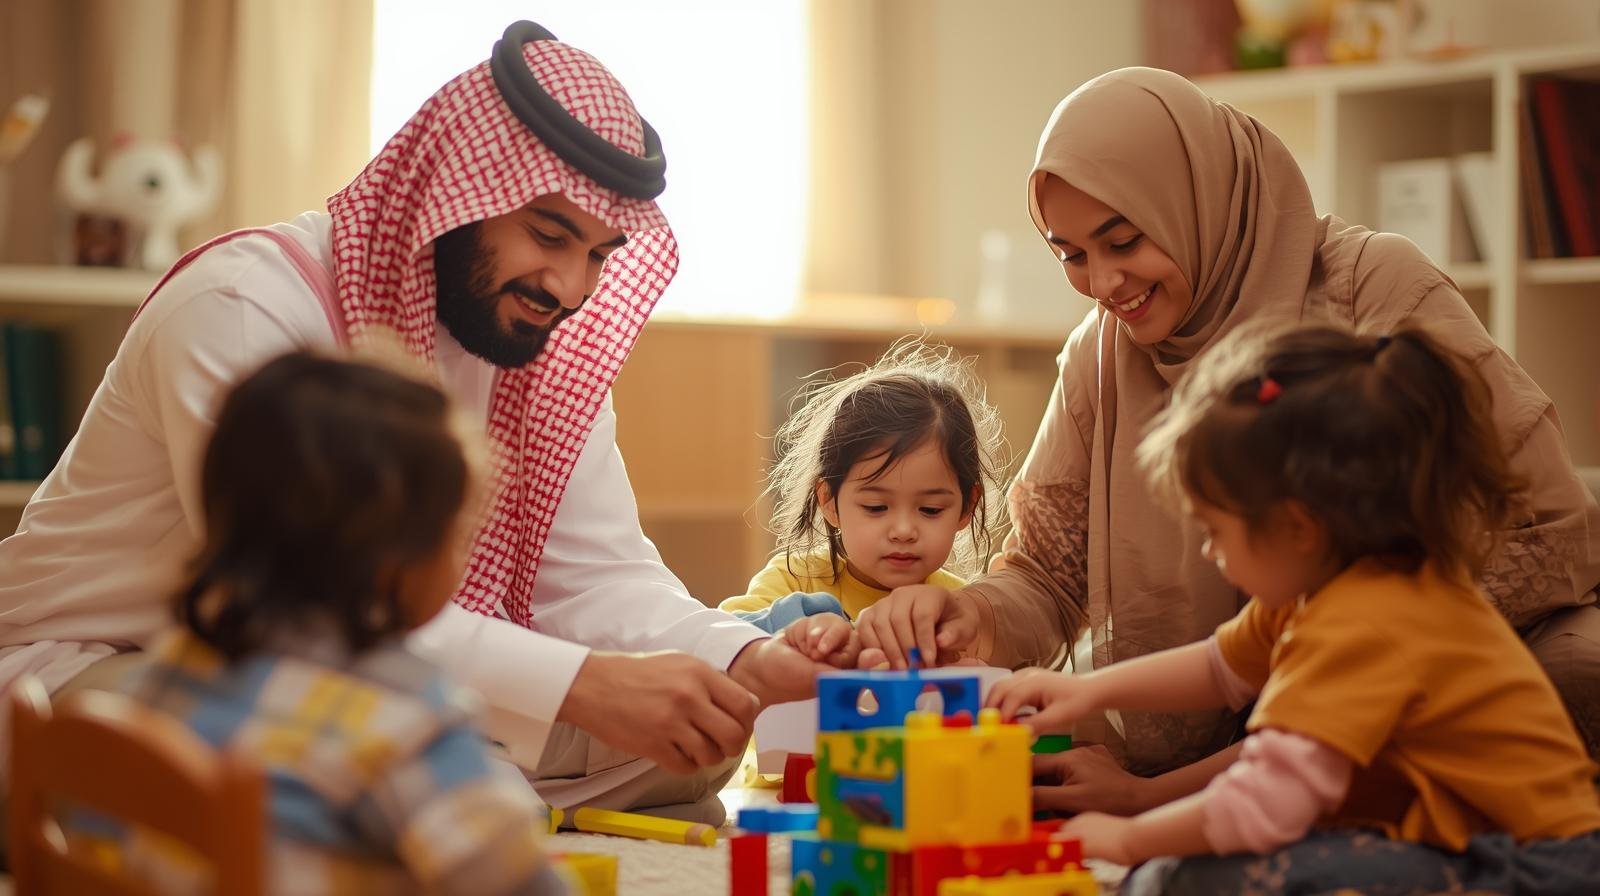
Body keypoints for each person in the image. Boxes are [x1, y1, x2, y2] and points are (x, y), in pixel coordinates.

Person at [0, 21, 821, 825]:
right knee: (292, 744)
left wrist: (743, 657)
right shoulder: (246, 304)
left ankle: (450, 788)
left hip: (374, 678)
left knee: (699, 723)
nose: (570, 287)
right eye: (547, 233)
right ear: (459, 188)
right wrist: (579, 686)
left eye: (600, 255)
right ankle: (452, 791)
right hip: (125, 671)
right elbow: (305, 608)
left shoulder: (527, 337)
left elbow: (598, 576)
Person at [854, 67, 1600, 815]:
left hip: (1424, 668)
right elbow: (1051, 573)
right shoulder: (1104, 353)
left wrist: (1150, 799)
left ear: (1195, 199)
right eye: (1072, 255)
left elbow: (1541, 525)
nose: (1104, 283)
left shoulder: (1369, 285)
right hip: (1247, 688)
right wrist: (974, 615)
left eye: (1122, 241)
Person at [989, 323, 1600, 894]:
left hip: (1536, 869)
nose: (1207, 550)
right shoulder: (1326, 586)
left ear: (1296, 528)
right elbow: (1219, 668)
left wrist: (1128, 838)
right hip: (1479, 848)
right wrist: (1086, 693)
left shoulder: (1365, 620)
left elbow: (1265, 802)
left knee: (1183, 877)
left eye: (1215, 531)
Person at [69, 351, 570, 894]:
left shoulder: (160, 683)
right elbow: (520, 884)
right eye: (460, 529)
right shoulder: (408, 725)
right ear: (396, 561)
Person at [718, 340, 1004, 663]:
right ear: (828, 501)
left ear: (967, 507)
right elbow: (720, 640)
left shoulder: (958, 610)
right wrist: (794, 631)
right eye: (876, 508)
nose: (903, 530)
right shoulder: (793, 581)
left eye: (930, 510)